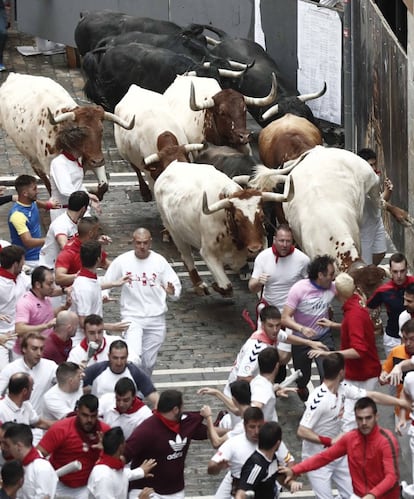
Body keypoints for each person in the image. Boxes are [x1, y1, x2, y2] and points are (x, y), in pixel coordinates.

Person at [297, 353, 409, 499]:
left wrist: (400, 403)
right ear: (341, 372)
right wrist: (328, 441)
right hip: (318, 458)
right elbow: (302, 430)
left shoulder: (342, 387)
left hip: (339, 455)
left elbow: (372, 396)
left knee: (354, 495)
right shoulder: (318, 399)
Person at [281, 397, 400, 499]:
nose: (364, 423)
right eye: (359, 418)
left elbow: (391, 476)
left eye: (368, 418)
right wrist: (294, 470)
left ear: (376, 417)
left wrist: (372, 495)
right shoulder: (350, 438)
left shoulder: (386, 441)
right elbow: (324, 457)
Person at [102, 227, 181, 375]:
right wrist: (104, 294)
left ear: (150, 242)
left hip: (156, 318)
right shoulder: (123, 261)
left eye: (145, 243)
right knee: (133, 357)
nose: (142, 247)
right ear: (133, 242)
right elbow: (109, 279)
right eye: (138, 243)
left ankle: (141, 390)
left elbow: (175, 285)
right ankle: (131, 390)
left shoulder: (159, 261)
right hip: (132, 316)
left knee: (148, 362)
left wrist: (172, 292)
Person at [309, 272, 382, 430]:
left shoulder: (353, 314)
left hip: (362, 373)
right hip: (360, 371)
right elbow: (356, 329)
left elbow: (358, 350)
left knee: (350, 419)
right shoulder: (356, 306)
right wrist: (334, 325)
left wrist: (330, 354)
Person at [224, 305, 327, 400]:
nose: (275, 330)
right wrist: (269, 387)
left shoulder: (271, 332)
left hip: (253, 390)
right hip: (238, 395)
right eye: (271, 326)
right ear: (263, 324)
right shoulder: (256, 348)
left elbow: (286, 337)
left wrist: (309, 343)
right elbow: (243, 376)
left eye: (278, 325)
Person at [125, 389, 209, 498]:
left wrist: (231, 431)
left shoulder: (185, 423)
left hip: (175, 491)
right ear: (175, 409)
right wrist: (138, 472)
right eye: (182, 407)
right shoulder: (145, 430)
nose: (183, 410)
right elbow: (123, 455)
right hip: (146, 491)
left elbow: (207, 432)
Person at [248, 224, 310, 366]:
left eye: (288, 241)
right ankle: (269, 383)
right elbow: (251, 287)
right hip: (269, 312)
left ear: (293, 241)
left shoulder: (303, 260)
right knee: (264, 353)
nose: (284, 245)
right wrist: (258, 282)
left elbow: (311, 286)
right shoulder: (263, 257)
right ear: (274, 239)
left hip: (291, 315)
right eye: (281, 241)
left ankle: (276, 379)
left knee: (282, 358)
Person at [281, 254, 337, 401]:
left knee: (328, 373)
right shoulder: (299, 289)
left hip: (324, 338)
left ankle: (325, 404)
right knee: (302, 376)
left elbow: (350, 295)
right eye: (331, 274)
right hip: (301, 341)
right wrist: (301, 329)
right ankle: (301, 387)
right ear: (320, 275)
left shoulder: (333, 288)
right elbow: (285, 318)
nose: (333, 277)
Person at [208, 407, 294, 499]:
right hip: (241, 488)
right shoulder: (233, 444)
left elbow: (289, 462)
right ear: (244, 426)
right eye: (252, 427)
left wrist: (290, 475)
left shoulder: (272, 441)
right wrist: (218, 467)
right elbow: (211, 468)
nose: (256, 432)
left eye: (259, 426)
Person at [37, 394, 111, 499]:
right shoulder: (61, 428)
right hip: (58, 483)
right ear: (77, 412)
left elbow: (118, 462)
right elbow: (37, 455)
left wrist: (106, 450)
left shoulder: (104, 431)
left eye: (93, 416)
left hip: (87, 487)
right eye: (85, 415)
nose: (89, 420)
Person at [70, 240, 130, 346]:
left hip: (95, 336)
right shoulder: (84, 288)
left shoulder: (87, 278)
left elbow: (95, 286)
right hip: (86, 341)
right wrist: (111, 326)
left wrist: (114, 283)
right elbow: (84, 322)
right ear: (98, 259)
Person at [82, 339, 158, 407]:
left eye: (122, 358)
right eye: (115, 358)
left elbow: (153, 395)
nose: (119, 362)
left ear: (127, 356)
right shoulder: (97, 370)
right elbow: (75, 384)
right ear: (109, 356)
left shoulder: (134, 372)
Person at [87, 426, 157, 499]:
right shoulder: (104, 476)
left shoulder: (112, 466)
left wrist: (141, 472)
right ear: (121, 447)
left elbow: (119, 476)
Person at [235, 422, 301, 499]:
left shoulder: (273, 459)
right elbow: (240, 495)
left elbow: (279, 478)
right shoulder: (256, 467)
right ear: (278, 443)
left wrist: (291, 484)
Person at [14, 265, 70, 355]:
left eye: (53, 283)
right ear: (38, 285)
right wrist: (46, 326)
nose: (53, 287)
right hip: (26, 354)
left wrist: (65, 307)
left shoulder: (45, 298)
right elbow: (19, 329)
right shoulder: (25, 302)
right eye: (49, 284)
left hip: (44, 349)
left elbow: (48, 315)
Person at [49, 126, 100, 221]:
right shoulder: (59, 163)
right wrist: (88, 197)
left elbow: (78, 185)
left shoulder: (75, 161)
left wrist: (88, 199)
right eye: (83, 145)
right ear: (74, 146)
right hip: (63, 213)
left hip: (78, 210)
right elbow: (66, 189)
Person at [367, 252, 414, 355]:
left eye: (402, 271)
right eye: (395, 271)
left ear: (407, 269)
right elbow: (367, 309)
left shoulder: (413, 283)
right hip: (393, 339)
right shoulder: (383, 291)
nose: (399, 276)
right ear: (390, 271)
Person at [0, 333, 57, 414]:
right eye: (34, 349)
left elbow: (65, 382)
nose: (39, 353)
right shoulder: (10, 369)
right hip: (14, 419)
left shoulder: (51, 366)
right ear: (24, 349)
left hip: (39, 420)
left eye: (41, 349)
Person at [7, 175, 56, 269]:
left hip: (40, 254)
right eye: (34, 189)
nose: (37, 192)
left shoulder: (31, 201)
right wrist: (52, 239)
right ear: (25, 193)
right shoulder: (17, 215)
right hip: (29, 261)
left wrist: (48, 205)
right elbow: (28, 242)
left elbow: (37, 203)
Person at [3, 423, 58, 499]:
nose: (6, 449)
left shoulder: (42, 468)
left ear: (19, 446)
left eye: (8, 445)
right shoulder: (17, 465)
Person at [39, 190, 90, 268]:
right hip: (49, 268)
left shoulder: (77, 222)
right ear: (83, 209)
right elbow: (64, 246)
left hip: (63, 265)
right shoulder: (61, 224)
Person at [55, 216, 110, 288]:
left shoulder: (93, 246)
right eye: (98, 230)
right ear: (91, 233)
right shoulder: (69, 252)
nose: (100, 233)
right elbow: (59, 278)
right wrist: (81, 275)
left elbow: (106, 264)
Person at [358, 148, 391, 266]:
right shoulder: (358, 182)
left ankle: (371, 271)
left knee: (381, 252)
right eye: (369, 165)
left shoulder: (374, 179)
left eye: (374, 164)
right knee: (365, 262)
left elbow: (379, 201)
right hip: (364, 227)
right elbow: (378, 202)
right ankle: (365, 279)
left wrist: (388, 191)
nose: (372, 168)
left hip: (376, 221)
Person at [0, 245, 28, 369]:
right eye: (22, 261)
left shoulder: (22, 278)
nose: (24, 264)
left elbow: (42, 287)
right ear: (15, 264)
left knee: (21, 373)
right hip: (1, 338)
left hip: (18, 335)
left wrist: (65, 290)